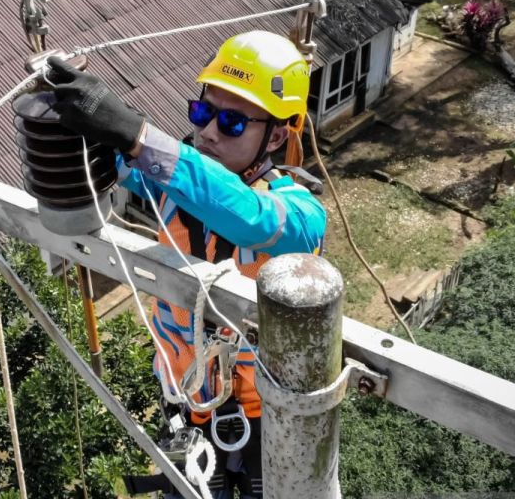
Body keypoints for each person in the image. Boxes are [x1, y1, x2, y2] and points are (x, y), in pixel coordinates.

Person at [47, 30, 328, 499]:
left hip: (269, 417)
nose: (209, 131)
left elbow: (249, 218)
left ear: (277, 135)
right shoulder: (171, 181)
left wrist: (137, 137)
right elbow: (105, 165)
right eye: (202, 112)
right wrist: (70, 118)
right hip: (187, 400)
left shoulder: (299, 215)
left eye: (233, 123)